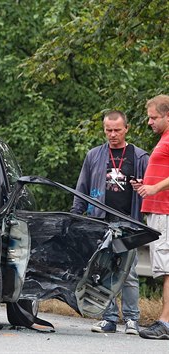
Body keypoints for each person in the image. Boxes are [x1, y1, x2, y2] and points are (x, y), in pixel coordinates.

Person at [71, 110, 148, 335]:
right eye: (108, 130)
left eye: (117, 130)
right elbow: (82, 186)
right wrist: (76, 214)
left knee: (129, 273)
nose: (112, 134)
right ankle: (109, 318)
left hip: (129, 222)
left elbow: (151, 188)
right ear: (104, 129)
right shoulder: (94, 155)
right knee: (103, 271)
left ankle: (132, 319)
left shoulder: (140, 156)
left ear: (126, 129)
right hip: (100, 221)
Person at [132, 94, 169, 340]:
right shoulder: (163, 139)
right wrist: (146, 185)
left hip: (165, 212)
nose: (149, 122)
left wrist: (154, 189)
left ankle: (165, 323)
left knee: (168, 269)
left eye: (154, 117)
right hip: (157, 211)